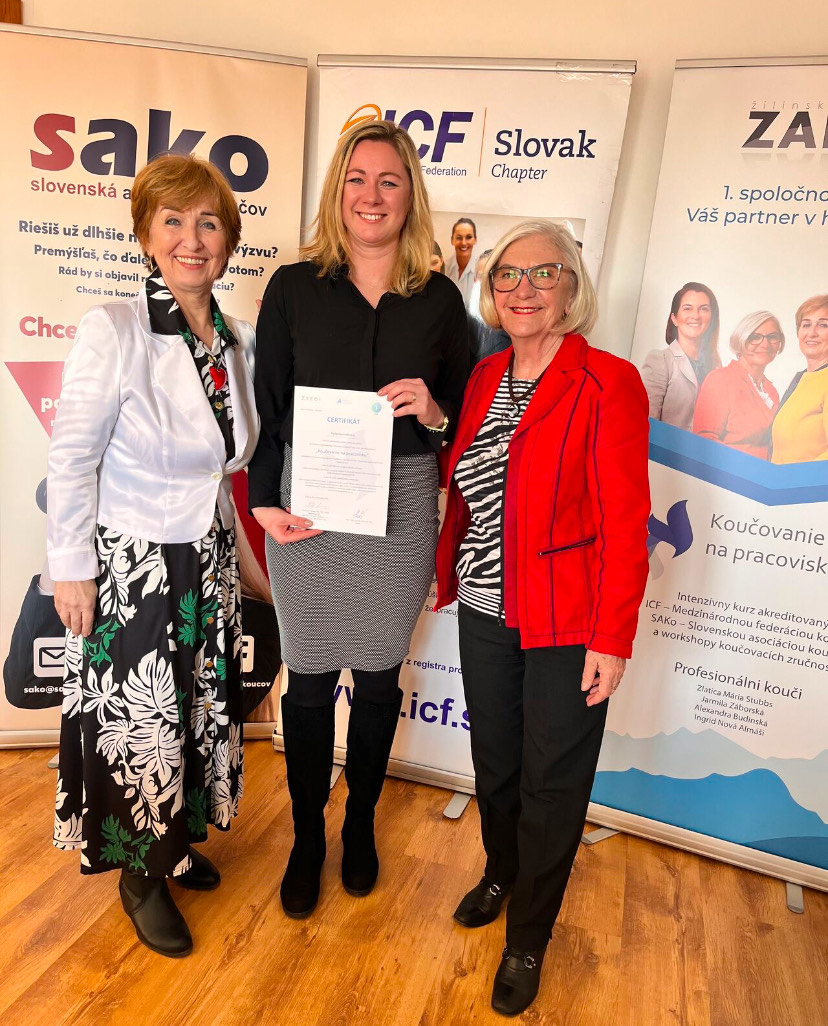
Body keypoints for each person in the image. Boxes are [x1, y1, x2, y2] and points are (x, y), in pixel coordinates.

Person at [249, 120, 469, 919]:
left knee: (378, 678)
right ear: (337, 191)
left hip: (401, 506)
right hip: (307, 506)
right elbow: (267, 406)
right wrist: (263, 503)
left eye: (389, 180)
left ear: (411, 196)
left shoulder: (441, 301)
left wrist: (435, 412)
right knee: (307, 680)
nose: (371, 196)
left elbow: (464, 416)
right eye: (357, 179)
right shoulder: (293, 287)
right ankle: (308, 836)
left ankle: (362, 823)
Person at [434, 220, 650, 1016]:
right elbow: (472, 473)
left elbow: (627, 521)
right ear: (491, 292)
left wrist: (611, 638)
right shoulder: (486, 374)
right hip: (485, 606)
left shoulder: (608, 381)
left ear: (570, 288)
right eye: (507, 276)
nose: (522, 290)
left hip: (565, 618)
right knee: (495, 763)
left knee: (552, 782)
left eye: (542, 273)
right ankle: (501, 871)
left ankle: (528, 936)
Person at [47, 154, 259, 958]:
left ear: (228, 239)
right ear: (145, 235)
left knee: (194, 714)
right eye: (172, 221)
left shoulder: (234, 341)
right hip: (133, 567)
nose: (191, 239)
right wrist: (71, 568)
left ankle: (176, 844)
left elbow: (227, 460)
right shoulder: (115, 329)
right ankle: (141, 877)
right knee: (142, 725)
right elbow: (72, 459)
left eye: (208, 222)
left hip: (206, 561)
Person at [693, 311, 783, 458]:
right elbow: (704, 442)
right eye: (755, 337)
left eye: (772, 337)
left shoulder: (771, 391)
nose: (765, 344)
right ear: (741, 340)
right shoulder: (720, 380)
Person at [641, 281, 721, 429]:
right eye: (687, 308)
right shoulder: (660, 360)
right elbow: (646, 422)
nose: (695, 316)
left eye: (703, 309)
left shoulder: (716, 366)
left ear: (712, 318)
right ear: (674, 318)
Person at [772, 295, 828, 463]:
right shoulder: (802, 379)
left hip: (807, 481)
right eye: (806, 325)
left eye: (823, 325)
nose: (812, 333)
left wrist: (792, 477)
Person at [445, 217, 478, 307]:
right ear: (452, 240)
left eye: (468, 237)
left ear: (475, 240)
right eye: (459, 238)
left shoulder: (481, 271)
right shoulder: (443, 268)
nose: (463, 243)